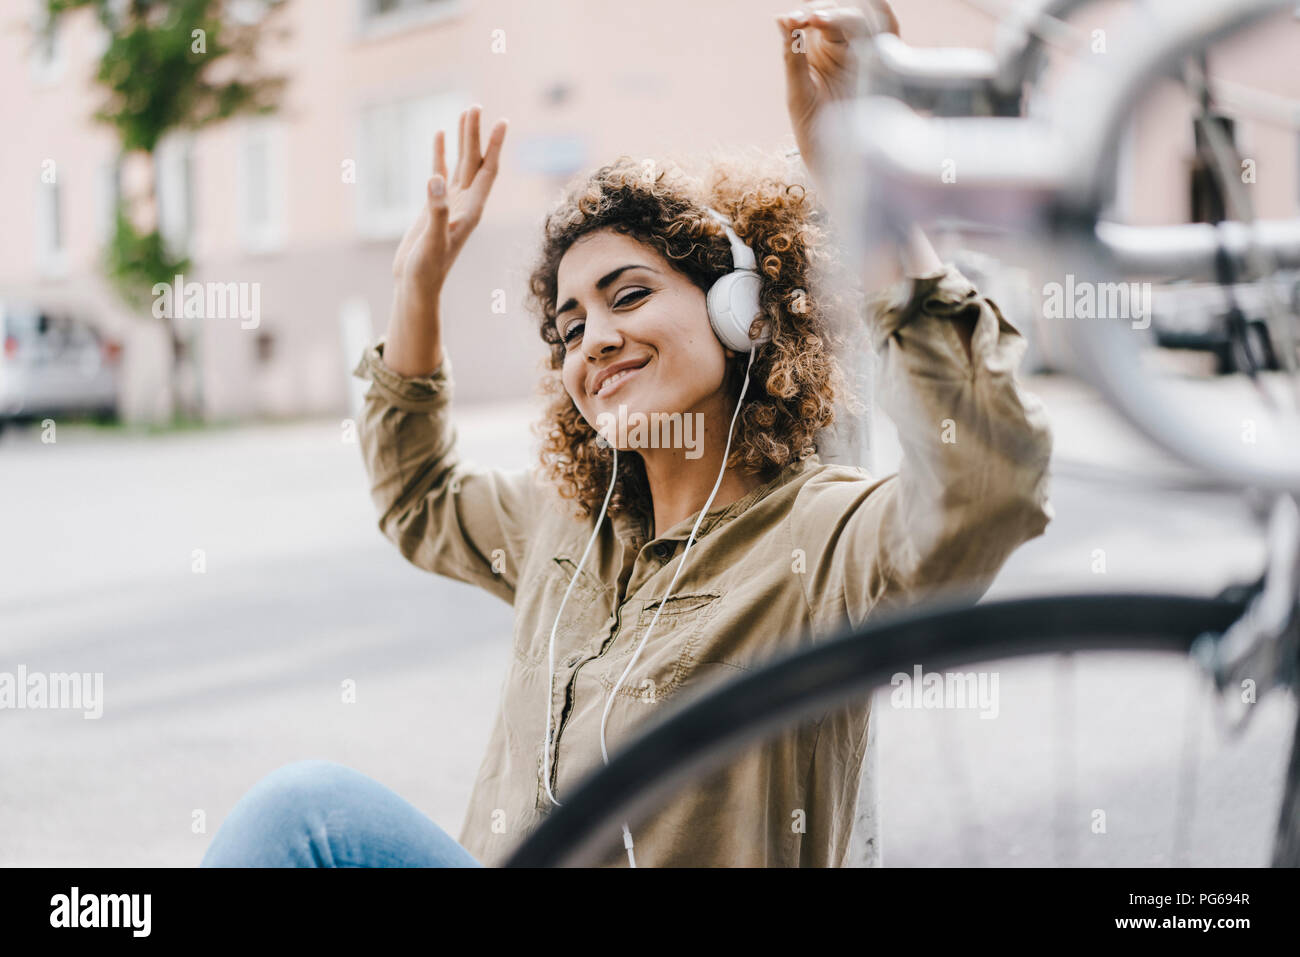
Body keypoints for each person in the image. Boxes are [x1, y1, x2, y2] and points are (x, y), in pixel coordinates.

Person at [201, 1, 1052, 869]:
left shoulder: (818, 539)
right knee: (303, 816)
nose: (594, 339)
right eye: (570, 327)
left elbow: (983, 487)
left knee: (303, 811)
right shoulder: (567, 525)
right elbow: (419, 498)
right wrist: (418, 284)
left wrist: (861, 178)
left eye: (630, 294)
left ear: (741, 314)